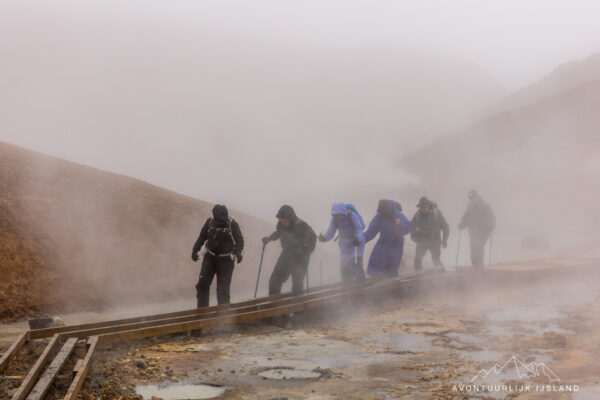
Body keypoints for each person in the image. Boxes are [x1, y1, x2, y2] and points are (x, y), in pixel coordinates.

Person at [191, 204, 244, 308]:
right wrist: (195, 250)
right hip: (209, 258)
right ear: (214, 216)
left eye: (222, 221)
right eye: (218, 221)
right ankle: (202, 315)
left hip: (226, 261)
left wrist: (238, 253)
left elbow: (240, 240)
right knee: (202, 285)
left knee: (222, 291)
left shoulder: (232, 224)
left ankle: (223, 321)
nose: (220, 223)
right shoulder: (209, 222)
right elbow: (202, 236)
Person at [262, 205, 317, 295]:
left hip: (301, 257)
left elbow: (313, 238)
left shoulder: (301, 225)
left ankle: (298, 305)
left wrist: (306, 250)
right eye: (280, 220)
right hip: (287, 254)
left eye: (284, 221)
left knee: (297, 283)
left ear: (290, 218)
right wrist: (269, 239)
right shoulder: (282, 224)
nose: (282, 222)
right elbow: (279, 233)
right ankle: (273, 303)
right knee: (275, 278)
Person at [318, 202, 366, 282]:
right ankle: (347, 285)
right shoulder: (335, 219)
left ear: (343, 212)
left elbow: (359, 229)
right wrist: (324, 238)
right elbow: (331, 230)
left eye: (338, 215)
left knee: (355, 264)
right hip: (344, 243)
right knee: (344, 265)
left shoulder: (352, 215)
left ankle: (361, 285)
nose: (337, 217)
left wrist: (358, 238)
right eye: (335, 215)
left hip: (355, 243)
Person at [364, 199, 412, 277]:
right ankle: (378, 283)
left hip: (396, 243)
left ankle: (392, 285)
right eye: (381, 210)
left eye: (384, 210)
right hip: (383, 242)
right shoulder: (379, 216)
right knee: (376, 263)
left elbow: (408, 228)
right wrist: (362, 239)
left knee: (391, 266)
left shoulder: (397, 215)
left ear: (388, 208)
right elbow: (371, 231)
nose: (383, 212)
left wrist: (399, 224)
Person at [458, 190, 496, 269]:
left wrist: (491, 226)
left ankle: (480, 268)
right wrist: (462, 225)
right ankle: (476, 267)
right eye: (471, 199)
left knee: (479, 248)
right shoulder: (469, 208)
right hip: (473, 233)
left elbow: (492, 218)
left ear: (477, 197)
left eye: (474, 198)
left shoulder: (485, 206)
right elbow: (465, 218)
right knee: (473, 253)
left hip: (483, 233)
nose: (472, 200)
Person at [410, 197, 449, 271]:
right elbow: (411, 227)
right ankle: (419, 277)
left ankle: (442, 275)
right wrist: (415, 238)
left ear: (429, 206)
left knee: (436, 259)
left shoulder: (436, 213)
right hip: (422, 240)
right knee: (417, 261)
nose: (423, 209)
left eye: (425, 207)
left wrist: (445, 240)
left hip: (435, 239)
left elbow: (445, 227)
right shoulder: (417, 215)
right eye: (421, 208)